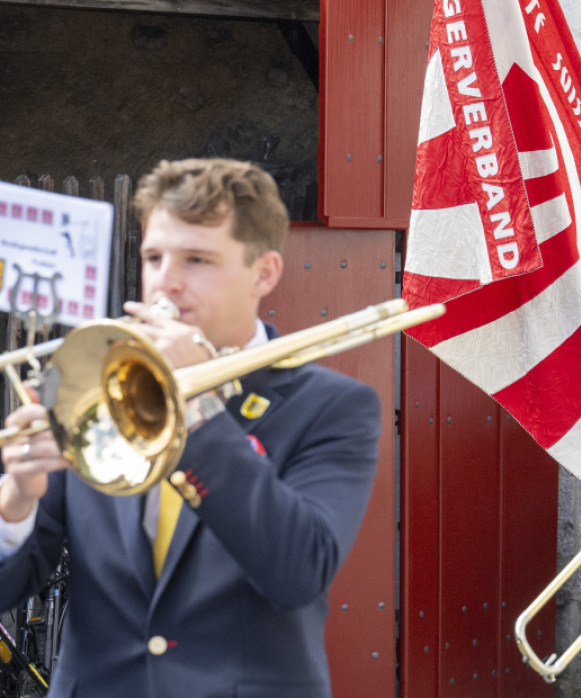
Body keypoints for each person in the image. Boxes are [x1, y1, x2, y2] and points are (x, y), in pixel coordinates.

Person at [0, 158, 380, 698]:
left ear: (264, 273)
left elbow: (298, 571)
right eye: (154, 257)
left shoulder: (334, 406)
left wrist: (196, 408)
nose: (166, 283)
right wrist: (16, 501)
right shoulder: (93, 381)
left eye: (198, 259)